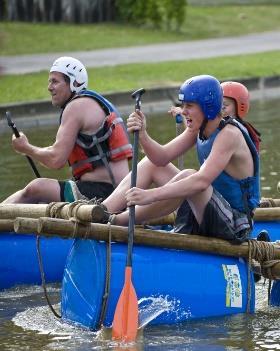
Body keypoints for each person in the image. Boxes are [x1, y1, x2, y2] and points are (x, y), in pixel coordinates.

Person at [90, 74, 260, 243]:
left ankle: (117, 221)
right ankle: (101, 211)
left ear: (208, 107)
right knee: (152, 164)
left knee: (189, 175)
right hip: (205, 210)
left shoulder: (229, 135)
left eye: (190, 106)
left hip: (236, 225)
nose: (184, 111)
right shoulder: (198, 128)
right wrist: (143, 135)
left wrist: (150, 195)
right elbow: (161, 158)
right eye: (183, 105)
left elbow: (201, 181)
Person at [2, 56, 132, 204]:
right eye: (49, 81)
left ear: (75, 83)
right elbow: (56, 151)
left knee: (36, 188)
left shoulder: (76, 107)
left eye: (55, 81)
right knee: (36, 196)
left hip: (105, 193)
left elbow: (56, 159)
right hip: (115, 190)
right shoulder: (93, 102)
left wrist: (26, 148)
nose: (49, 87)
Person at [221, 81, 261, 153]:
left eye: (225, 105)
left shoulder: (234, 131)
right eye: (218, 104)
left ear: (239, 107)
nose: (220, 109)